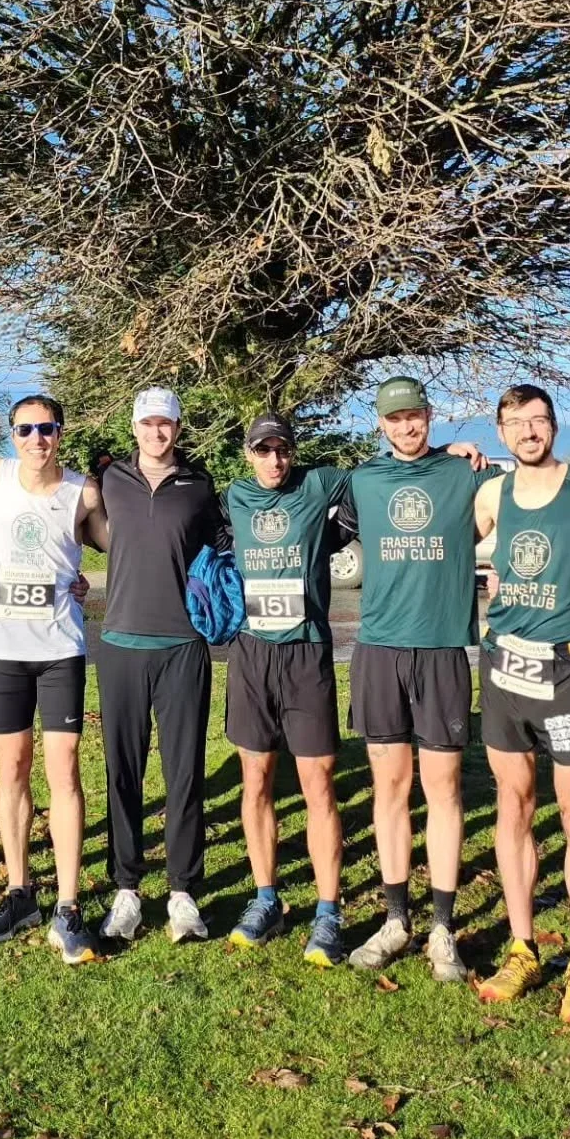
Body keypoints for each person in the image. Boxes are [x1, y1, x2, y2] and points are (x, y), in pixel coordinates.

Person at [472, 386, 570, 1026]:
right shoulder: (491, 494)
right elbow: (447, 539)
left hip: (566, 671)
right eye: (516, 423)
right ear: (501, 433)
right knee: (513, 804)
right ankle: (522, 948)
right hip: (505, 667)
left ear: (555, 426)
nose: (528, 432)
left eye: (538, 420)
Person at [340, 378, 493, 980]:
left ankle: (443, 928)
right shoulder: (362, 480)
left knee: (445, 788)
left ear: (430, 416)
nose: (407, 426)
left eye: (416, 416)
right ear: (381, 424)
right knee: (390, 789)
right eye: (395, 418)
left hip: (441, 649)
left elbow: (524, 496)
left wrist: (467, 452)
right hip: (379, 651)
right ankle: (396, 919)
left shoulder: (464, 474)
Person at [0, 394, 108, 966]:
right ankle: (19, 893)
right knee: (12, 769)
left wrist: (87, 583)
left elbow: (119, 542)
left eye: (46, 428)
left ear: (60, 432)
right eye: (25, 429)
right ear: (12, 435)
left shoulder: (83, 492)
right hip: (4, 651)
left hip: (59, 650)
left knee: (64, 771)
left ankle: (68, 905)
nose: (36, 439)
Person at [95, 388, 228, 946]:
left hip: (182, 646)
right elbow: (68, 523)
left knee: (184, 773)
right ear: (134, 427)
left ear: (178, 428)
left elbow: (225, 544)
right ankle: (126, 888)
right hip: (120, 644)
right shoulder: (108, 480)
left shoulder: (198, 485)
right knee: (123, 773)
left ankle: (182, 892)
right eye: (148, 423)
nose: (157, 432)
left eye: (165, 424)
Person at [223, 413, 350, 966]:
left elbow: (379, 477)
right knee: (256, 778)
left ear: (292, 452)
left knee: (317, 782)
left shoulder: (316, 485)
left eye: (282, 449)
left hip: (305, 652)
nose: (274, 459)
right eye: (263, 450)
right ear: (248, 453)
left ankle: (328, 911)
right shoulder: (234, 496)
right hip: (252, 654)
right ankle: (266, 898)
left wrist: (447, 451)